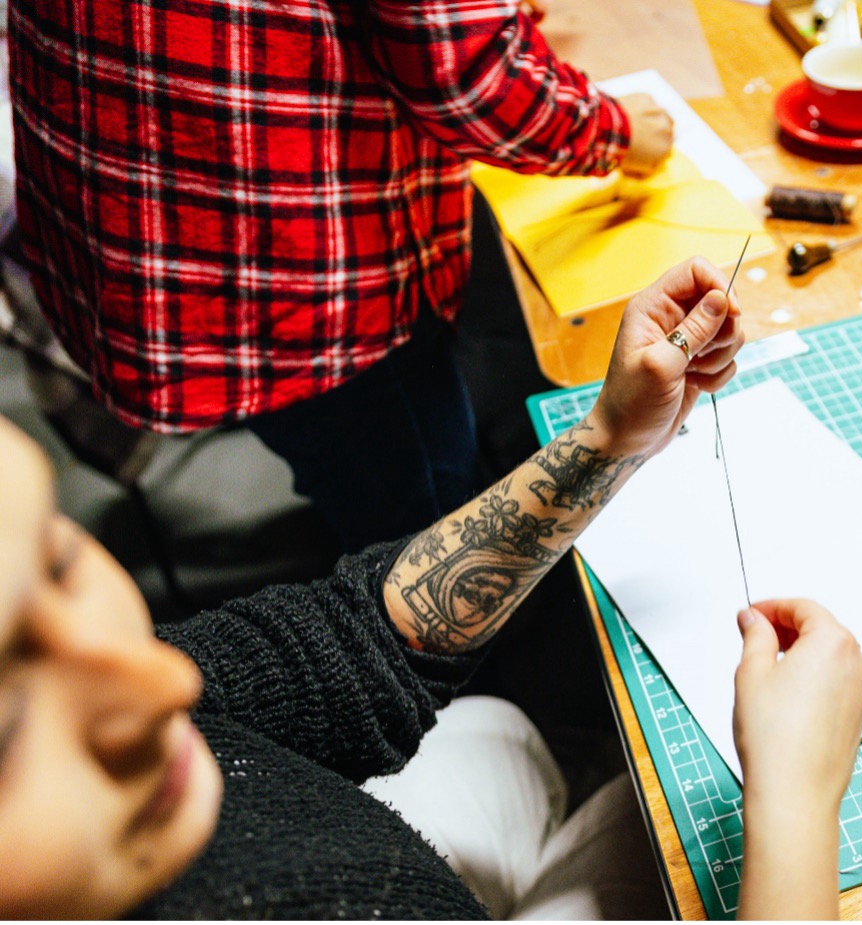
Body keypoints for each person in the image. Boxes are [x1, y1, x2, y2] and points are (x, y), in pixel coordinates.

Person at [0, 259, 862, 919]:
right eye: (7, 730)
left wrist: (611, 436)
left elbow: (346, 641)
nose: (165, 682)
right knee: (667, 823)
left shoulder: (166, 712)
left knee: (504, 733)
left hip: (351, 843)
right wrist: (794, 802)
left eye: (58, 560)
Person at [7, 0, 676, 552]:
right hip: (302, 276)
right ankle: (440, 672)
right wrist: (612, 130)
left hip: (128, 208)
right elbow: (465, 78)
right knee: (421, 528)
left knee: (344, 454)